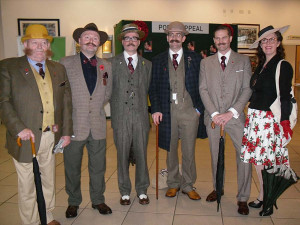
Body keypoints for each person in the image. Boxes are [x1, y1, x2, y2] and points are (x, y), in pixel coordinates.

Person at [0, 24, 72, 225]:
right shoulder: (9, 67)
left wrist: (66, 132)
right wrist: (18, 128)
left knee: (48, 180)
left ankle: (47, 216)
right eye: (35, 42)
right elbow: (3, 101)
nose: (40, 47)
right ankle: (31, 222)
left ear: (49, 45)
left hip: (50, 136)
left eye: (44, 42)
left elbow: (66, 103)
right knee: (28, 184)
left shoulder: (58, 68)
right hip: (26, 138)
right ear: (25, 44)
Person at [60, 23, 112, 218]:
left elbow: (108, 91)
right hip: (74, 124)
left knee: (98, 167)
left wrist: (95, 105)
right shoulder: (65, 63)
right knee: (72, 167)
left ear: (99, 43)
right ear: (79, 41)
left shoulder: (106, 65)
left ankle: (98, 199)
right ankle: (73, 202)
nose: (91, 40)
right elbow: (61, 93)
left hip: (98, 125)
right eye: (87, 37)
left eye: (95, 38)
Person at [149, 21, 206, 200]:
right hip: (167, 112)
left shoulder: (195, 59)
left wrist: (198, 109)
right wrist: (156, 109)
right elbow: (153, 88)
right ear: (167, 38)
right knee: (170, 149)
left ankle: (188, 185)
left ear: (184, 38)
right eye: (171, 34)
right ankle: (173, 183)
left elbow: (204, 86)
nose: (174, 37)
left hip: (190, 111)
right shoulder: (157, 60)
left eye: (178, 34)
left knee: (189, 150)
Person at [199, 24, 252, 215]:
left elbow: (247, 89)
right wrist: (214, 113)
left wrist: (231, 112)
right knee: (216, 155)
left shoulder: (243, 61)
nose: (221, 41)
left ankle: (243, 197)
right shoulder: (206, 63)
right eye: (217, 38)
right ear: (214, 41)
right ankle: (217, 187)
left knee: (244, 157)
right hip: (213, 118)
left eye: (224, 38)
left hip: (235, 118)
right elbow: (203, 89)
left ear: (230, 39)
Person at [240, 25, 292, 216]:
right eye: (264, 40)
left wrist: (285, 122)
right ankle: (263, 195)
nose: (268, 43)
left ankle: (269, 198)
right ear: (260, 45)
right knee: (258, 162)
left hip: (269, 121)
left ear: (278, 42)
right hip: (255, 119)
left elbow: (285, 97)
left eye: (272, 39)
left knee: (268, 163)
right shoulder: (261, 66)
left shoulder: (283, 65)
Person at [110, 23, 152, 205]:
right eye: (127, 38)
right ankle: (124, 191)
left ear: (139, 41)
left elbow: (151, 90)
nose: (131, 41)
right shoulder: (111, 63)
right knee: (122, 155)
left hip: (141, 117)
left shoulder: (147, 65)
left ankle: (142, 190)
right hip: (120, 117)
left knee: (142, 154)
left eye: (134, 38)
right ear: (122, 40)